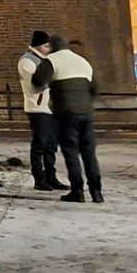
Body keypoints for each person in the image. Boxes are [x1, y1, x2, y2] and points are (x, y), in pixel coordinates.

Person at [37, 34, 101, 202]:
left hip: (66, 111)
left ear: (52, 46)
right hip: (86, 112)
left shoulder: (51, 60)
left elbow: (38, 80)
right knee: (89, 152)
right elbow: (95, 88)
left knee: (71, 151)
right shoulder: (82, 61)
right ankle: (96, 192)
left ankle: (77, 191)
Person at [16, 30, 58, 190]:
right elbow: (34, 84)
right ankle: (39, 179)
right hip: (37, 107)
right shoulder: (27, 61)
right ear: (38, 46)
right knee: (40, 144)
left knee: (51, 145)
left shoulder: (45, 60)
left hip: (50, 108)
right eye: (46, 46)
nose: (49, 49)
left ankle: (51, 176)